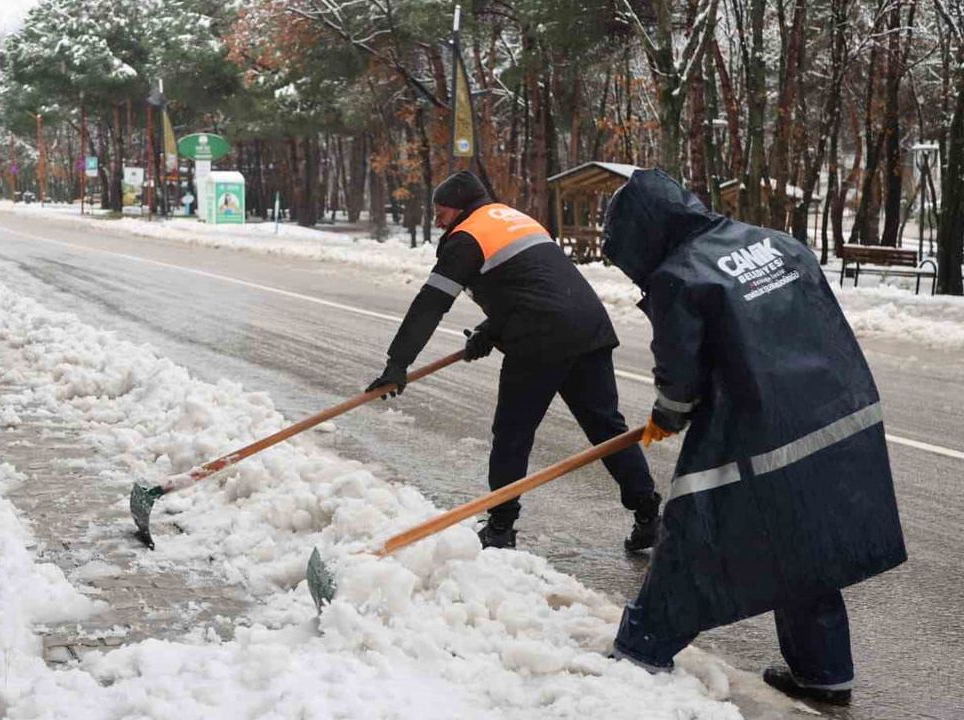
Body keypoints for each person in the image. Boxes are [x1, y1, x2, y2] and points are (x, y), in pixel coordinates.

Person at [602, 169, 907, 705]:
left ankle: (639, 650)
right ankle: (824, 672)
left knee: (697, 527)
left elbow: (680, 374)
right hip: (838, 409)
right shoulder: (778, 242)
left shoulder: (680, 275)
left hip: (759, 429)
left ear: (642, 233)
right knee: (803, 537)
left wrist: (668, 416)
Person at [366, 170, 659, 551]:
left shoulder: (466, 237)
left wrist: (397, 362)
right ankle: (648, 514)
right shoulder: (513, 218)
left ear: (461, 208)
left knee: (512, 434)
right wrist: (491, 331)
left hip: (541, 341)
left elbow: (432, 303)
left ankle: (500, 528)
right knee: (608, 429)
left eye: (442, 211)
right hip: (589, 329)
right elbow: (532, 287)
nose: (437, 220)